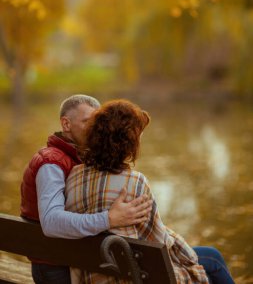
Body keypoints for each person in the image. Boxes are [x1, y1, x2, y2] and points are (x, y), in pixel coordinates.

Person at [65, 99, 235, 284]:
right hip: (130, 277)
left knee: (207, 257)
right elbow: (160, 242)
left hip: (92, 275)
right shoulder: (134, 182)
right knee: (212, 259)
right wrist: (190, 259)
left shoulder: (74, 176)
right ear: (128, 143)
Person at [20, 95, 152, 284]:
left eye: (97, 123)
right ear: (66, 124)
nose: (95, 129)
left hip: (77, 261)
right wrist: (109, 219)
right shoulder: (51, 163)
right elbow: (51, 222)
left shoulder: (81, 161)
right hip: (54, 267)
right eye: (87, 122)